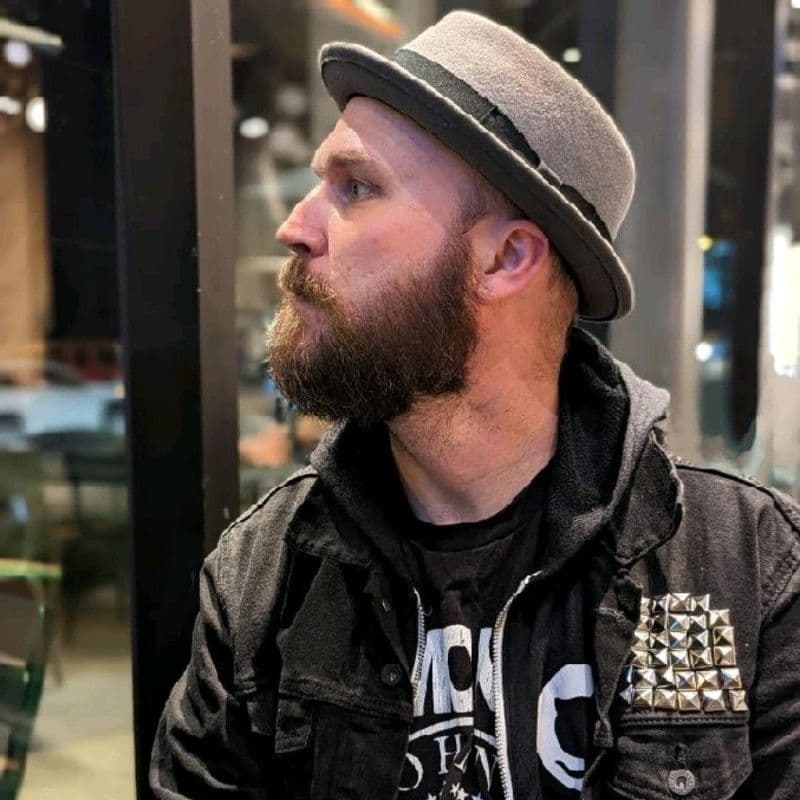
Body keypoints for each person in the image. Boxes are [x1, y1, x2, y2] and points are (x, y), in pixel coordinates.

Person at [151, 11, 800, 799]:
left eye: (356, 188)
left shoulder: (745, 567)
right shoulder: (267, 574)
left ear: (506, 257)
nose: (296, 227)